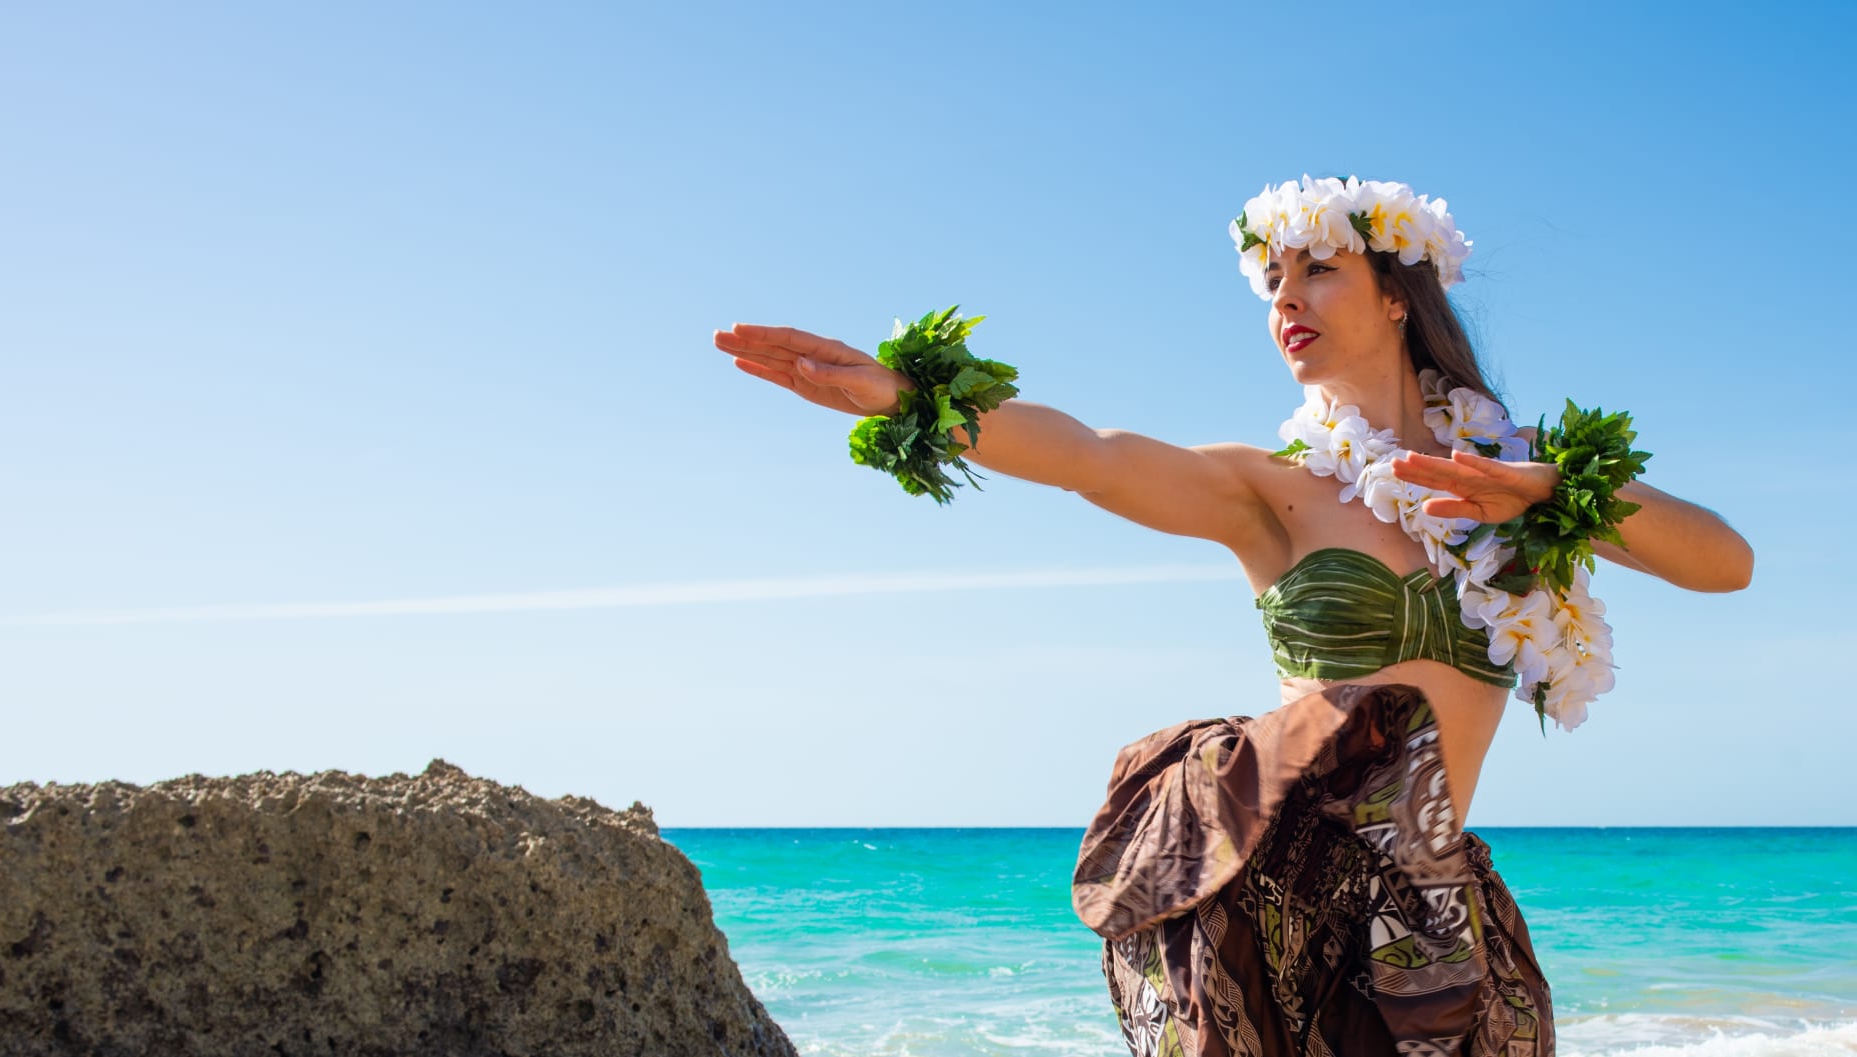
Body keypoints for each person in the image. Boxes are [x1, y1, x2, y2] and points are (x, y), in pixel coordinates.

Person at [711, 176, 1753, 1057]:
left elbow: (1725, 563)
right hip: (1287, 906)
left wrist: (1547, 490)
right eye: (1272, 280)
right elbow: (1090, 456)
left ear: (1399, 294)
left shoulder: (1517, 478)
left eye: (1318, 269)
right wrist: (909, 398)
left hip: (1435, 916)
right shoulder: (1271, 489)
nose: (1285, 296)